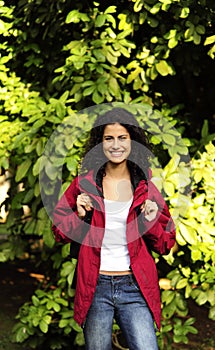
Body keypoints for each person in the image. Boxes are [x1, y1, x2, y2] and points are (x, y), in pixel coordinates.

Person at [52, 107, 176, 350]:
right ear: (100, 143)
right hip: (95, 286)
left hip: (135, 287)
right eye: (109, 138)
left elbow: (165, 244)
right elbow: (58, 232)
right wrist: (77, 215)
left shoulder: (145, 188)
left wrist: (149, 222)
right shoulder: (83, 184)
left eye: (123, 138)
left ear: (133, 142)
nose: (115, 144)